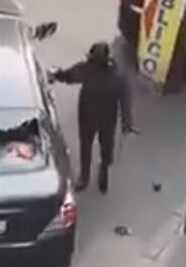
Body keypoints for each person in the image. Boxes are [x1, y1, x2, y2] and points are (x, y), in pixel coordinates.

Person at [50, 42, 137, 194]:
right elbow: (125, 101)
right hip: (106, 118)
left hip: (88, 116)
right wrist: (126, 122)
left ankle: (85, 177)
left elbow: (69, 76)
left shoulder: (88, 69)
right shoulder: (117, 76)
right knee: (106, 146)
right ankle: (102, 169)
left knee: (86, 146)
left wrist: (56, 75)